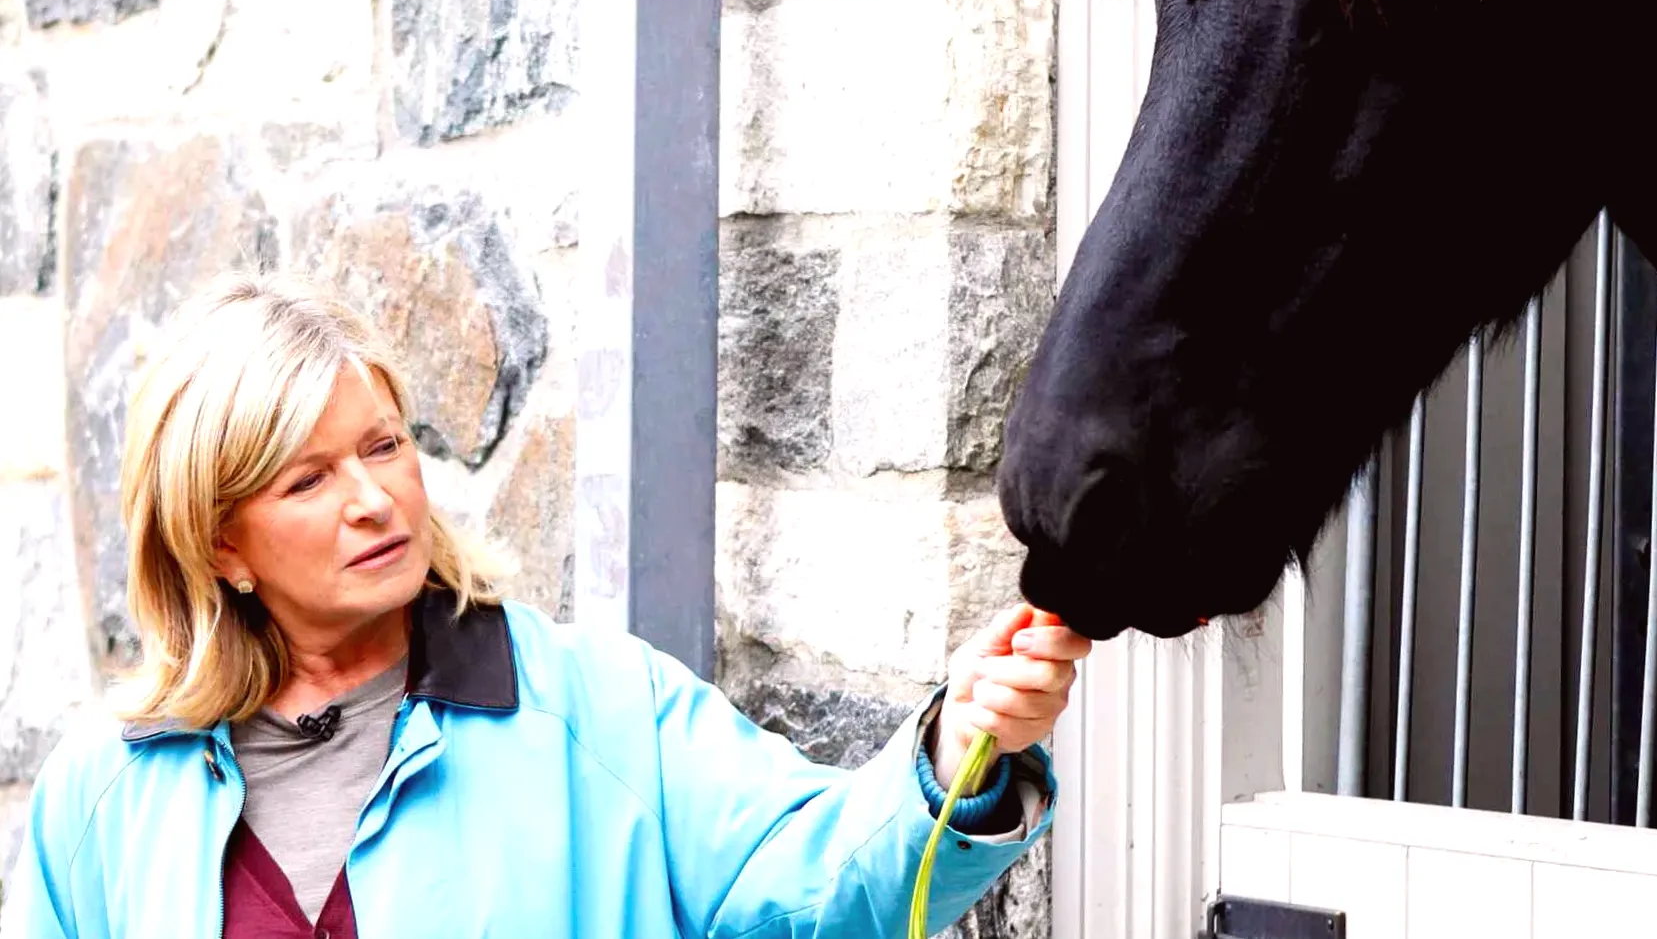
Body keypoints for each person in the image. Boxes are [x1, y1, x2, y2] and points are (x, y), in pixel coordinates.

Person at [7, 273, 1090, 938]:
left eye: (383, 446)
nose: (374, 498)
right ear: (221, 543)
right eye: (308, 480)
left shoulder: (596, 708)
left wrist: (957, 750)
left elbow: (813, 890)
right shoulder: (104, 794)